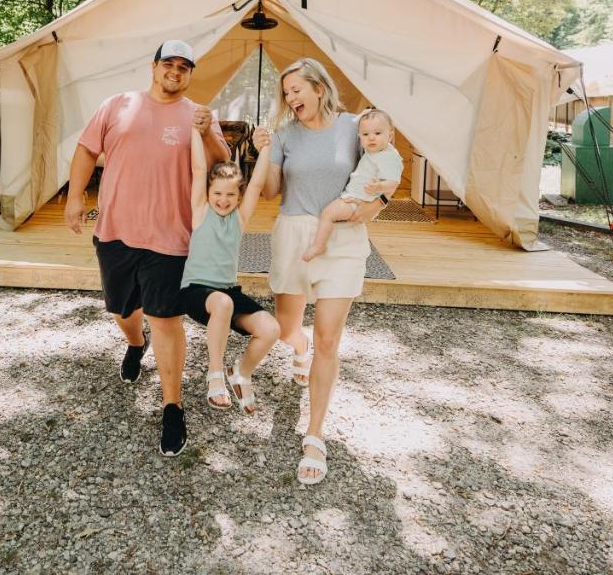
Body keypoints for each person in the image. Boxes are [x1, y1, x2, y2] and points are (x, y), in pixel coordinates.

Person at [64, 40, 229, 457]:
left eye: (184, 66)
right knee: (123, 310)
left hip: (172, 236)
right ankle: (136, 344)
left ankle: (172, 407)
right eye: (168, 63)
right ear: (154, 67)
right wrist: (74, 197)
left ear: (190, 73)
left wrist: (208, 130)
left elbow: (221, 164)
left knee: (166, 318)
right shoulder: (118, 104)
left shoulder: (198, 115)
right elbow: (86, 150)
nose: (175, 70)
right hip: (116, 229)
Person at [252, 58, 396, 485]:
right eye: (287, 93)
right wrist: (262, 150)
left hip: (344, 237)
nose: (291, 98)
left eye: (298, 89)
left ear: (319, 87)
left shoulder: (356, 126)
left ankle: (314, 433)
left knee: (329, 339)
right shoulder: (283, 134)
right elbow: (273, 191)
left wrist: (377, 206)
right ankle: (299, 349)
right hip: (294, 234)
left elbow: (387, 166)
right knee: (286, 327)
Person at [180, 127, 281, 415]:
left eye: (230, 195)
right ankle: (214, 376)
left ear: (238, 197)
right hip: (196, 291)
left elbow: (258, 183)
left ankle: (240, 372)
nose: (223, 200)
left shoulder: (239, 218)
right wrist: (197, 132)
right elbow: (199, 168)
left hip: (227, 292)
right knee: (222, 303)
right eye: (218, 193)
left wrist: (265, 151)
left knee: (271, 329)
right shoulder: (200, 211)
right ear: (208, 192)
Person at [302, 109, 402, 262]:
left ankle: (319, 245)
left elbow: (394, 182)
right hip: (356, 197)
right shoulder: (375, 151)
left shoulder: (389, 157)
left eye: (377, 133)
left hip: (360, 201)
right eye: (366, 135)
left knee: (327, 214)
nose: (371, 138)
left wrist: (379, 187)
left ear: (390, 135)